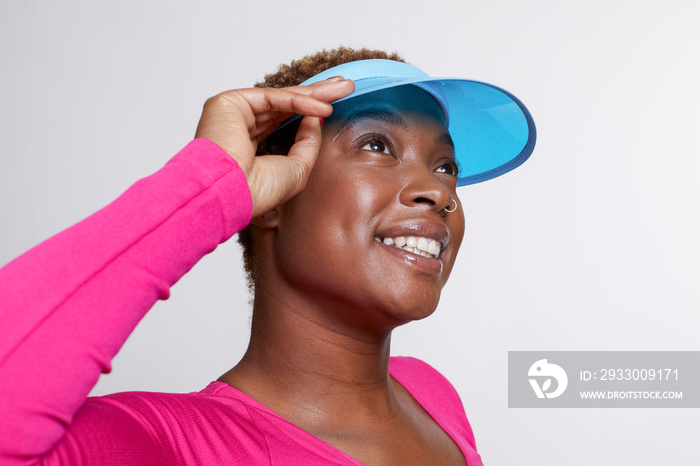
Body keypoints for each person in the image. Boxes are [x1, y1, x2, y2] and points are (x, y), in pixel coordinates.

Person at [0, 47, 535, 465]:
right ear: (272, 196)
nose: (440, 192)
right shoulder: (171, 446)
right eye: (377, 145)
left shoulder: (431, 397)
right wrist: (209, 188)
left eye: (446, 167)